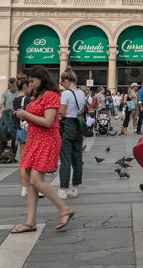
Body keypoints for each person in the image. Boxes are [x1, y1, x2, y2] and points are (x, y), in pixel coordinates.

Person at [11, 65, 74, 234]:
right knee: (30, 180)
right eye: (29, 81)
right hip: (34, 138)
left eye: (32, 81)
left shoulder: (52, 96)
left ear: (42, 79)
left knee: (37, 180)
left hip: (46, 139)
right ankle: (30, 221)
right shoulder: (36, 97)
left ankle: (64, 209)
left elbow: (48, 121)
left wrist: (25, 115)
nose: (30, 84)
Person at [58, 69, 87, 198]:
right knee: (77, 157)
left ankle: (63, 189)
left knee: (65, 158)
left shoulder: (65, 94)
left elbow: (62, 112)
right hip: (78, 125)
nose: (62, 85)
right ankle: (75, 188)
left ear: (65, 81)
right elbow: (82, 110)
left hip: (67, 125)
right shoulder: (81, 93)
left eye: (62, 82)